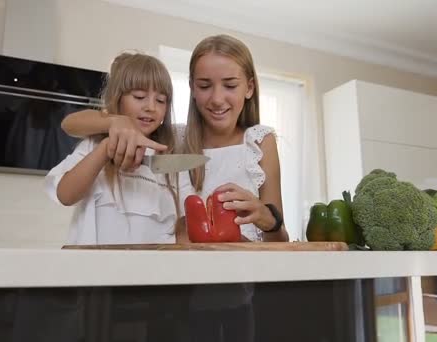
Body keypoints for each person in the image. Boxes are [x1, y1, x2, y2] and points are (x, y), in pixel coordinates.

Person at [61, 35, 289, 342]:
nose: (217, 98)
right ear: (192, 89)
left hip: (242, 291)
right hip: (181, 295)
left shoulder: (260, 142)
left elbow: (279, 237)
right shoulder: (173, 141)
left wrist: (265, 216)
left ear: (249, 87)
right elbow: (72, 123)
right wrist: (118, 122)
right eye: (205, 85)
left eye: (230, 85)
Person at [44, 51, 178, 245]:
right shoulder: (95, 145)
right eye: (139, 96)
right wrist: (105, 149)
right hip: (93, 270)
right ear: (118, 98)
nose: (151, 106)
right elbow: (65, 195)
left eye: (161, 100)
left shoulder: (168, 154)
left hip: (148, 271)